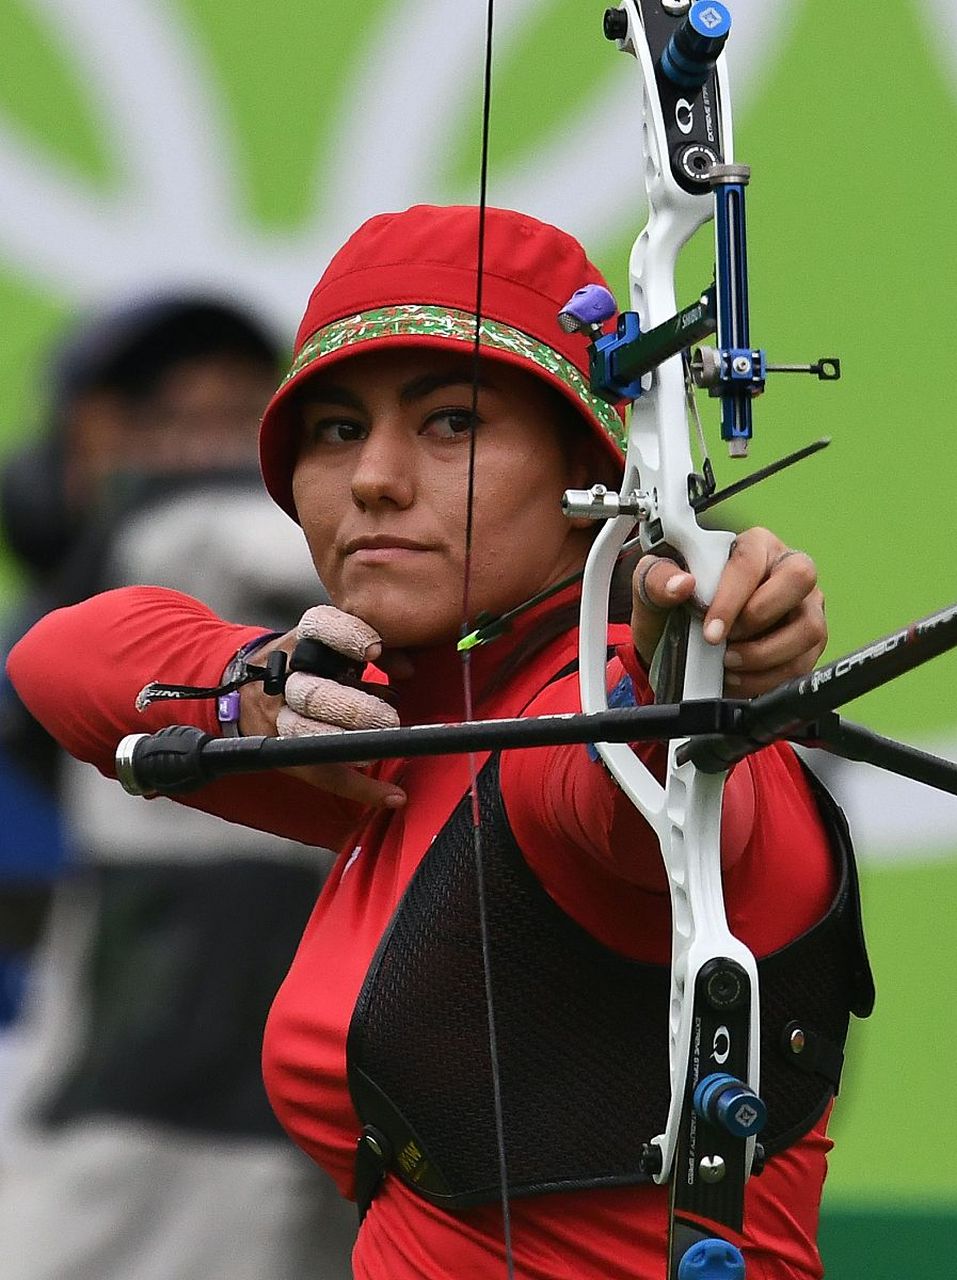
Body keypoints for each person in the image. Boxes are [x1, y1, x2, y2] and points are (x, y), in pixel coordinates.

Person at [7, 206, 874, 1280]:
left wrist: (692, 673)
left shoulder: (580, 717)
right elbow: (58, 659)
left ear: (591, 472)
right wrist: (251, 695)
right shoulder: (403, 733)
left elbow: (625, 792)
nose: (374, 476)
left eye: (452, 421)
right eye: (333, 429)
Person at [0, 297, 356, 1280]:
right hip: (133, 1158)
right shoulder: (157, 540)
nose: (206, 449)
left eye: (243, 416)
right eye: (165, 417)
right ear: (68, 457)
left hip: (324, 1143)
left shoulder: (295, 573)